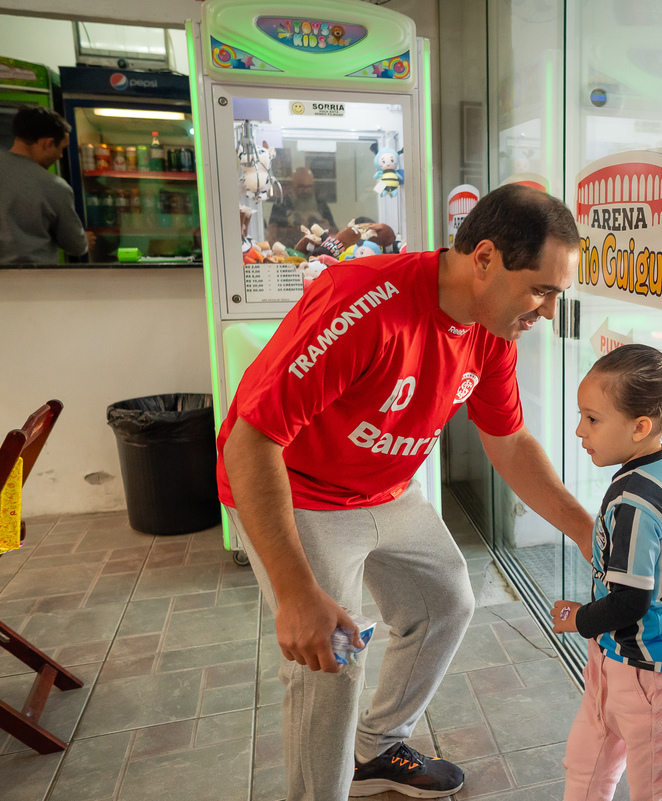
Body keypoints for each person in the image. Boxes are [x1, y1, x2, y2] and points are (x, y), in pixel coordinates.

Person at [218, 184, 596, 801]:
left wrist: (586, 531)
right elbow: (251, 441)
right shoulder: (364, 305)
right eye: (541, 289)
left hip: (390, 490)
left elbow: (508, 440)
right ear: (484, 259)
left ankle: (378, 748)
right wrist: (295, 593)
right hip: (301, 491)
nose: (548, 311)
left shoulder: (492, 327)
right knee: (331, 661)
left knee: (446, 604)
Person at [552, 344, 662, 801]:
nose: (579, 430)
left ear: (640, 426)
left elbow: (632, 601)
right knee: (586, 764)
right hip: (614, 658)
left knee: (657, 786)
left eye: (592, 419)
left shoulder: (634, 499)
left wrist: (577, 618)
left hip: (653, 672)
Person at [0, 106, 92, 264]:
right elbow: (76, 246)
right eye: (62, 148)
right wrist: (85, 239)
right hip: (34, 281)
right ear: (48, 144)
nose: (61, 155)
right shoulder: (53, 186)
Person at [267, 165, 336, 248]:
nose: (306, 191)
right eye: (301, 187)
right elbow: (272, 236)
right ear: (292, 185)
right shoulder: (281, 205)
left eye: (309, 186)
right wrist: (295, 230)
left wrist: (327, 227)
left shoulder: (321, 205)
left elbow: (335, 232)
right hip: (289, 252)